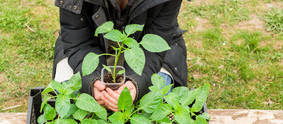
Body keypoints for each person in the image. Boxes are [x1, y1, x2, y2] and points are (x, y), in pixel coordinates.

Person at [53, 0, 188, 111]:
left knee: (159, 96)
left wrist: (137, 84)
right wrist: (91, 83)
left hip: (145, 52)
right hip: (90, 46)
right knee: (67, 95)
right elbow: (78, 42)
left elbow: (156, 42)